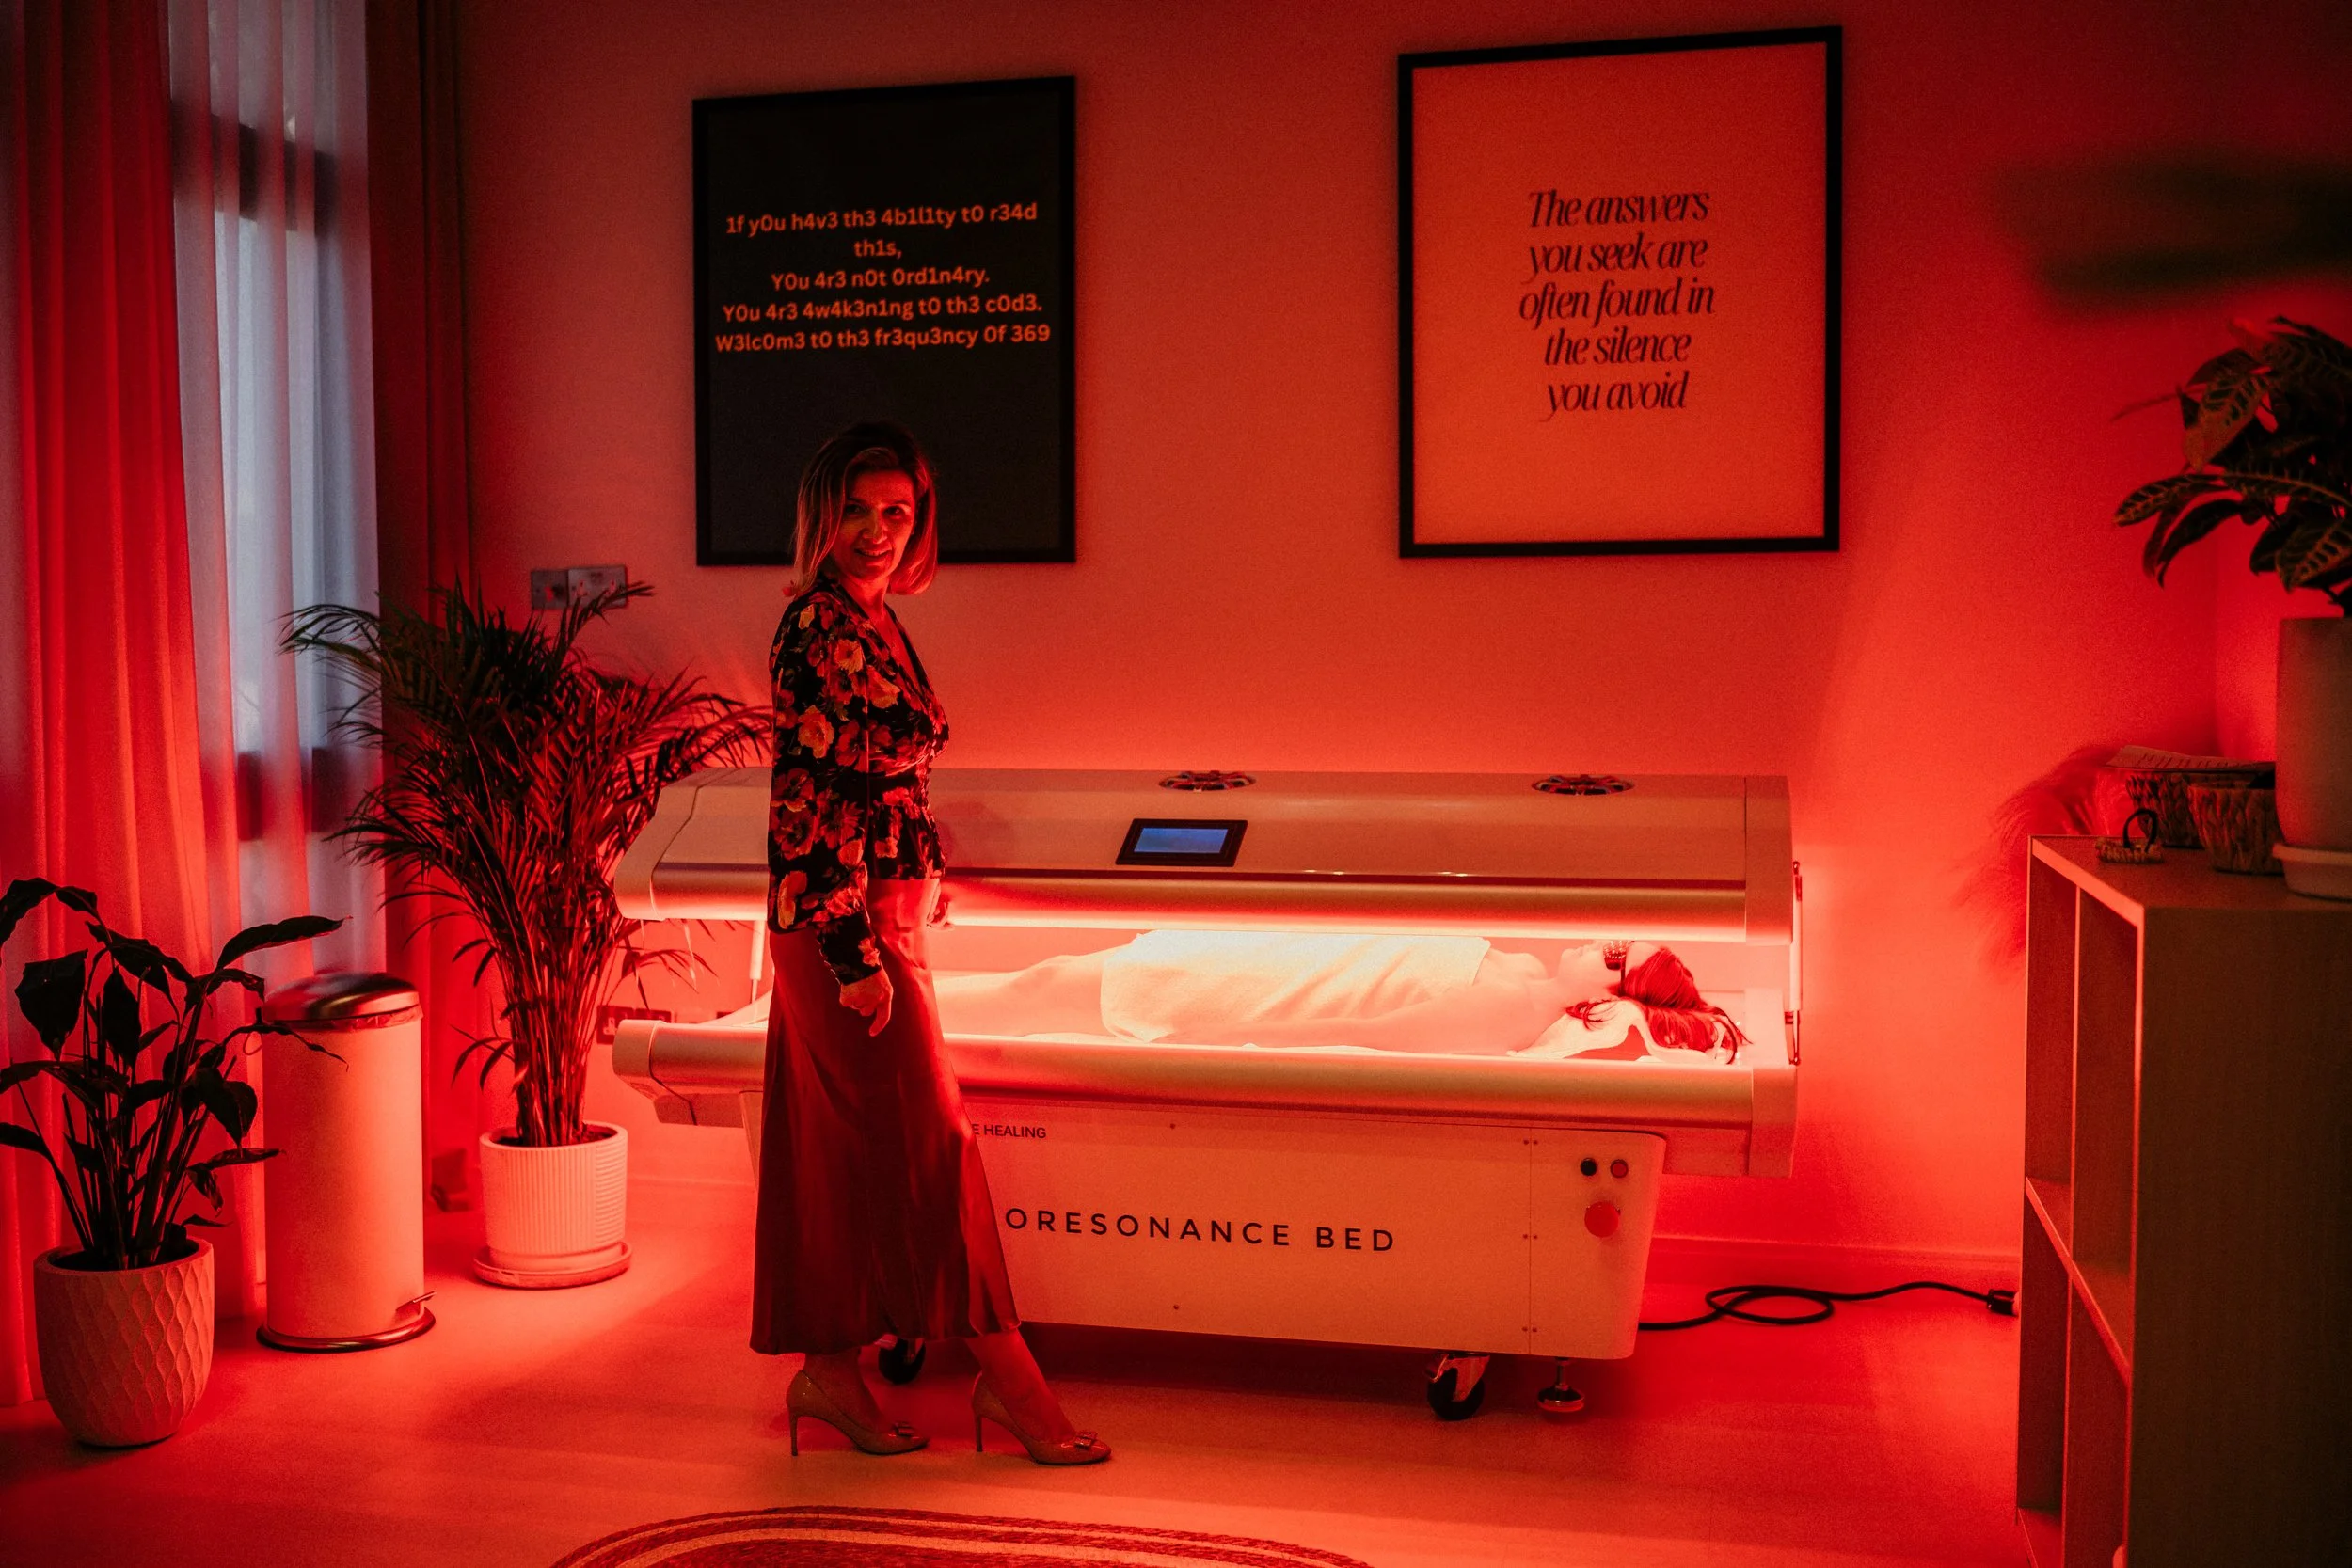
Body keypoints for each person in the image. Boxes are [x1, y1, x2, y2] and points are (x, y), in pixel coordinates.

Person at [753, 422, 1107, 1466]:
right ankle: (1014, 1387)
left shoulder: (874, 618)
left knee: (829, 1156)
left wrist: (923, 869)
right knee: (934, 1151)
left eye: (895, 512)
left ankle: (829, 1370)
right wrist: (858, 955)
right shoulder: (819, 627)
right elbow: (807, 799)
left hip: (867, 914)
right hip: (841, 932)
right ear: (826, 512)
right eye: (859, 510)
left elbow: (877, 777)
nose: (875, 531)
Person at [932, 932, 1746, 1061]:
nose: (1590, 939)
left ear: (1606, 990)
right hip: (1256, 960)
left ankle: (888, 1007)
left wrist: (1221, 1044)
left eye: (1610, 952)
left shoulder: (1513, 1009)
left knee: (1036, 990)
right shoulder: (1516, 970)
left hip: (1248, 995)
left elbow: (1378, 1032)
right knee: (1041, 980)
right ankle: (896, 992)